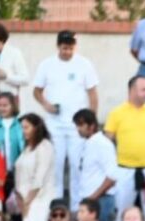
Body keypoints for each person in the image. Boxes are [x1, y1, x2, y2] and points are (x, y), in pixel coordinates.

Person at [32, 31, 98, 204]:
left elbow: (92, 93)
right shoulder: (47, 64)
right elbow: (36, 91)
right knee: (56, 165)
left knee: (77, 165)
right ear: (58, 46)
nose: (67, 51)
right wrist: (46, 105)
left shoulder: (84, 64)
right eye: (64, 48)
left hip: (78, 126)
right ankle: (57, 202)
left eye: (70, 48)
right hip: (54, 123)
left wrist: (92, 121)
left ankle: (77, 205)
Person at [105, 75, 145, 218]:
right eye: (144, 90)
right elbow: (107, 141)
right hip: (124, 170)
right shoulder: (116, 113)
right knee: (122, 212)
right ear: (132, 90)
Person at [14, 113, 55, 221]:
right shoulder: (27, 149)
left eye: (26, 127)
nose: (23, 131)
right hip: (26, 201)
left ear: (36, 127)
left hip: (39, 200)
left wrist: (27, 201)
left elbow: (39, 178)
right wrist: (21, 200)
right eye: (22, 128)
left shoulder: (45, 146)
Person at [72, 109, 118, 221]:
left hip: (101, 201)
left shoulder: (103, 144)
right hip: (90, 201)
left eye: (81, 125)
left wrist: (93, 198)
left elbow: (112, 177)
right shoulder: (88, 144)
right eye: (77, 125)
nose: (78, 129)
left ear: (92, 126)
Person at [0, 24, 29, 103]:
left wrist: (6, 76)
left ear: (2, 39)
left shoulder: (14, 53)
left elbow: (25, 79)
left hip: (10, 101)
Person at [0, 91, 24, 179]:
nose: (1, 108)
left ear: (13, 106)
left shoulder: (20, 124)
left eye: (5, 105)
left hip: (17, 169)